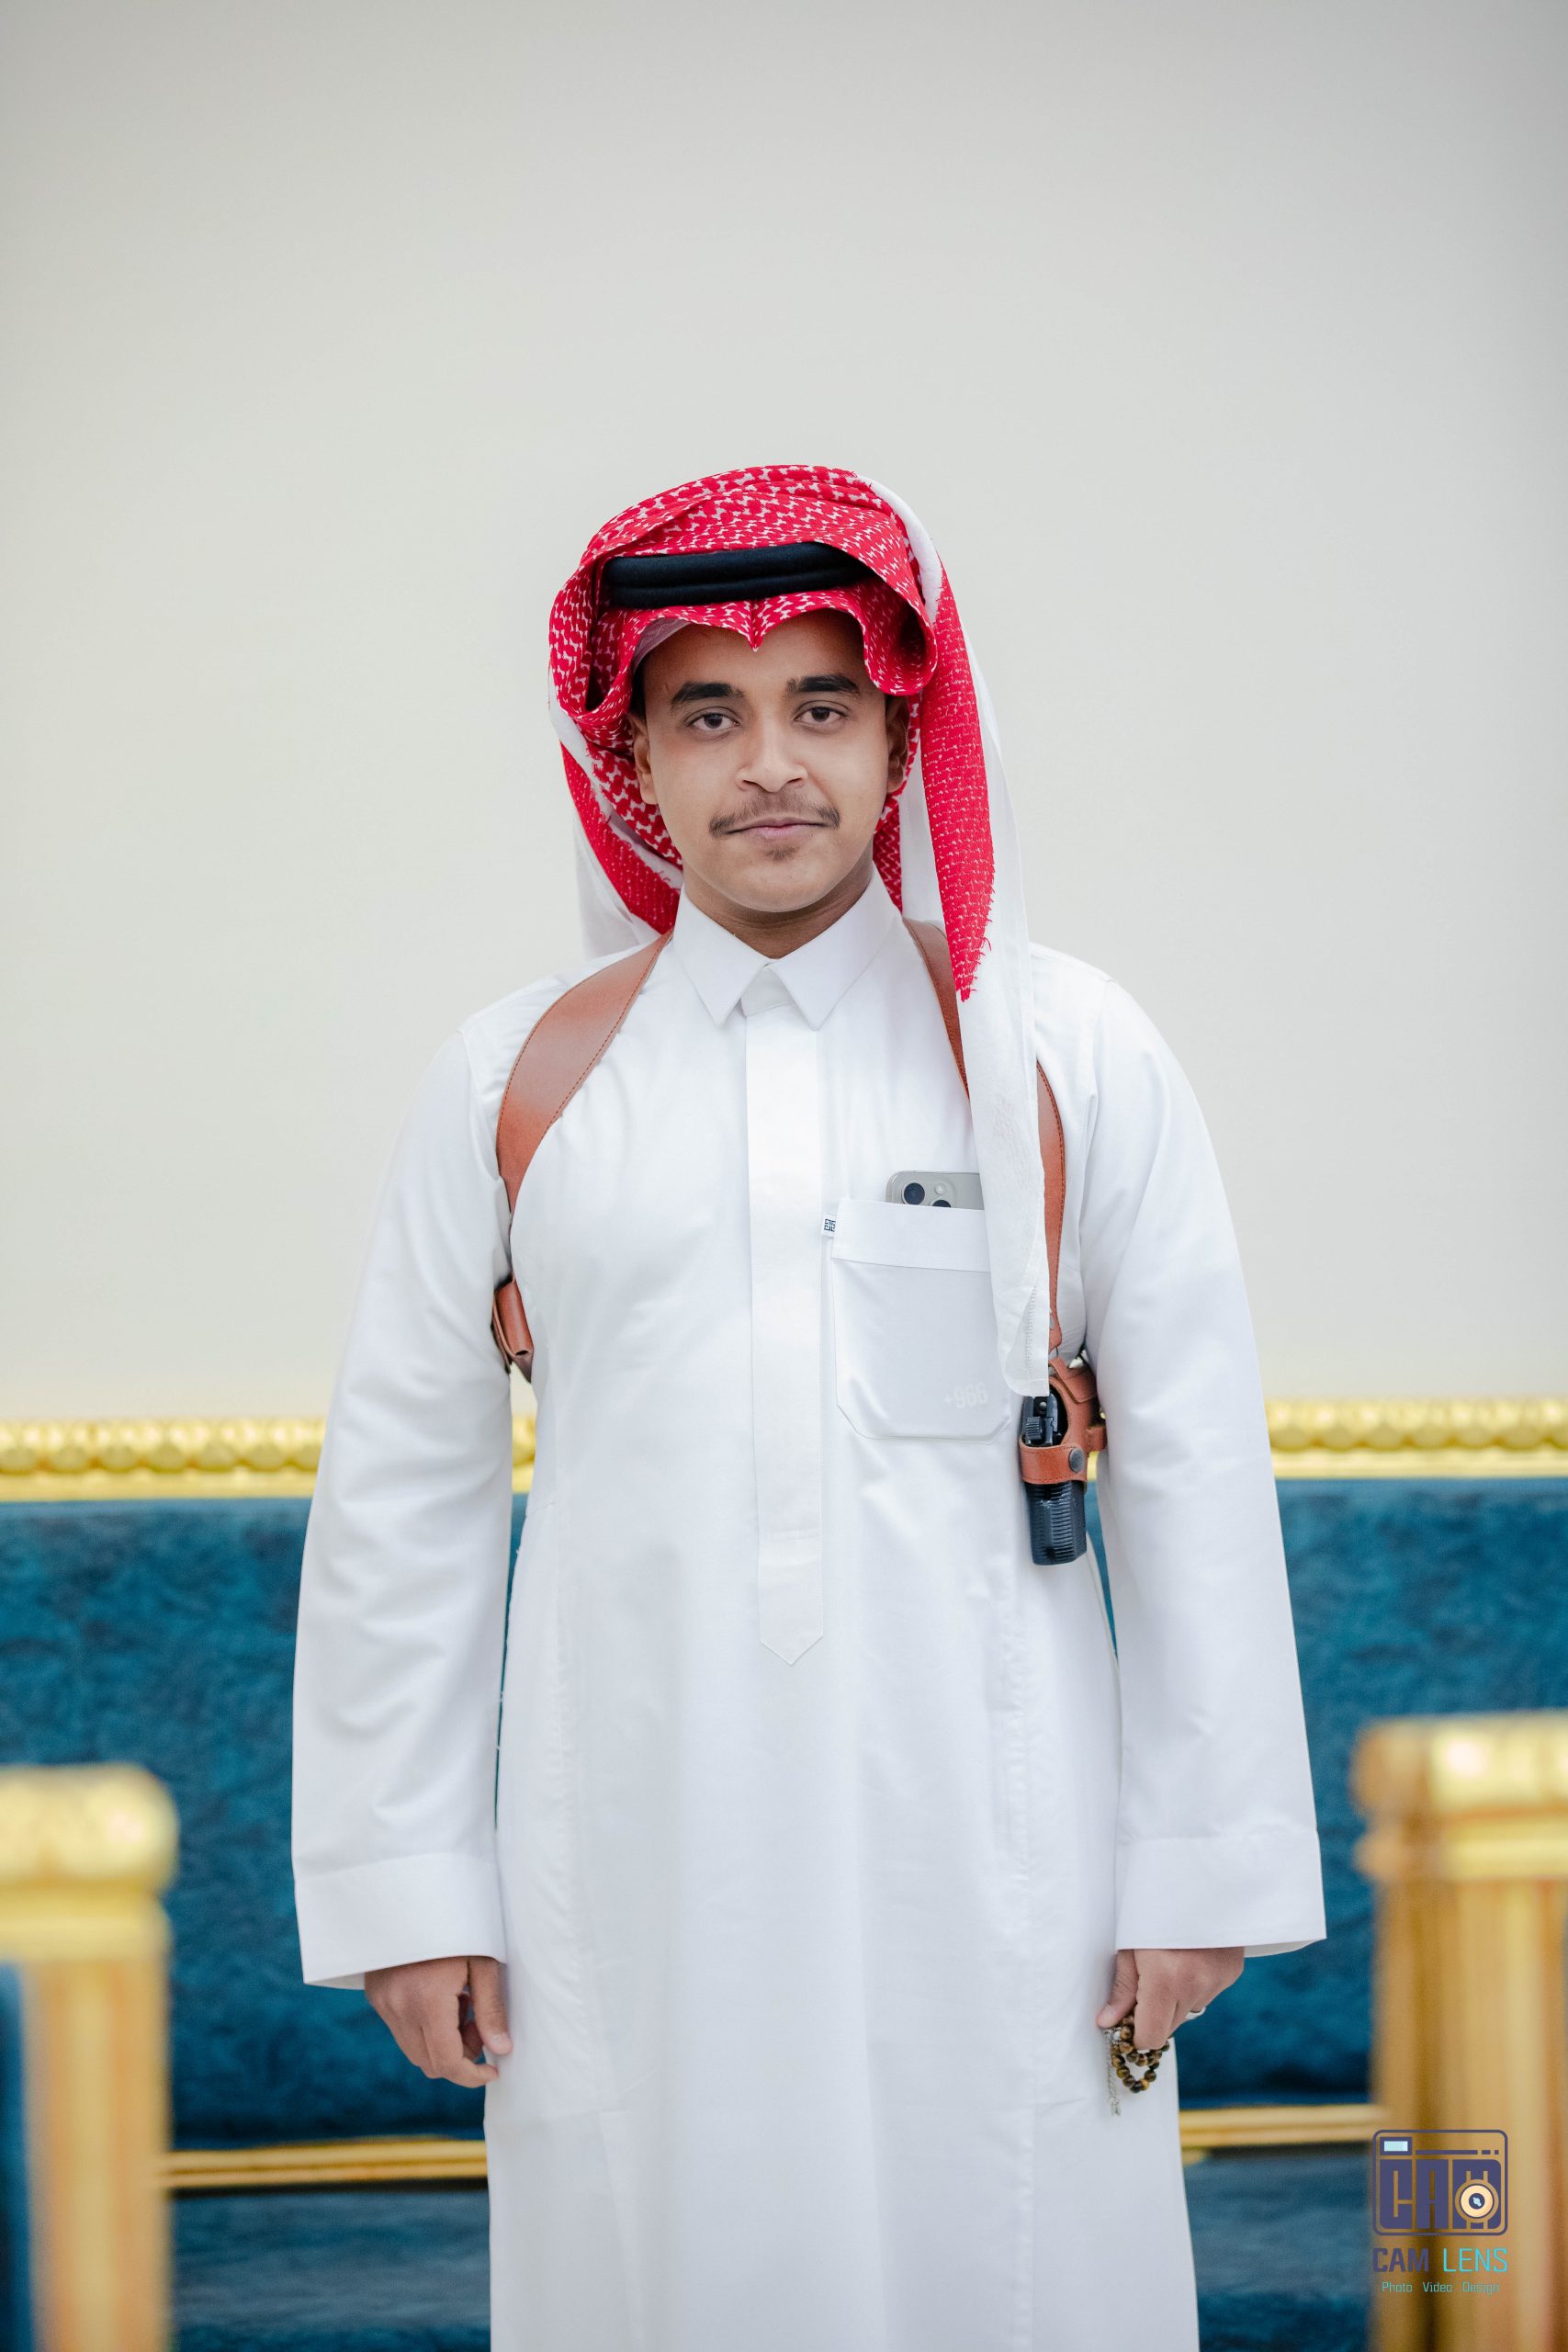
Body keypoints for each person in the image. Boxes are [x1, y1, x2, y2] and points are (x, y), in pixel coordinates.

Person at [290, 463, 1325, 2351]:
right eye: (709, 713)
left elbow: (1190, 1462)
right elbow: (401, 1501)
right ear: (635, 759)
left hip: (1000, 1844)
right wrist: (408, 1885)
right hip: (628, 1849)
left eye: (821, 706)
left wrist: (1200, 1865)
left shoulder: (1061, 1050)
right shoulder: (516, 1081)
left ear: (899, 739)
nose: (769, 765)